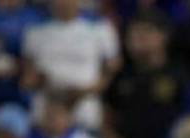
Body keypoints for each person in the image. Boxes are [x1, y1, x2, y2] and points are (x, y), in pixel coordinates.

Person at [102, 8, 188, 138]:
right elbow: (107, 113)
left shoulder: (178, 74)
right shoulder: (121, 75)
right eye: (132, 34)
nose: (136, 40)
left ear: (163, 36)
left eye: (144, 33)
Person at [21, 0, 121, 130]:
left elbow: (111, 70)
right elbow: (27, 78)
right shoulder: (34, 30)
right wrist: (40, 82)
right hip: (47, 110)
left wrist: (85, 91)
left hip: (85, 109)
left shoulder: (100, 27)